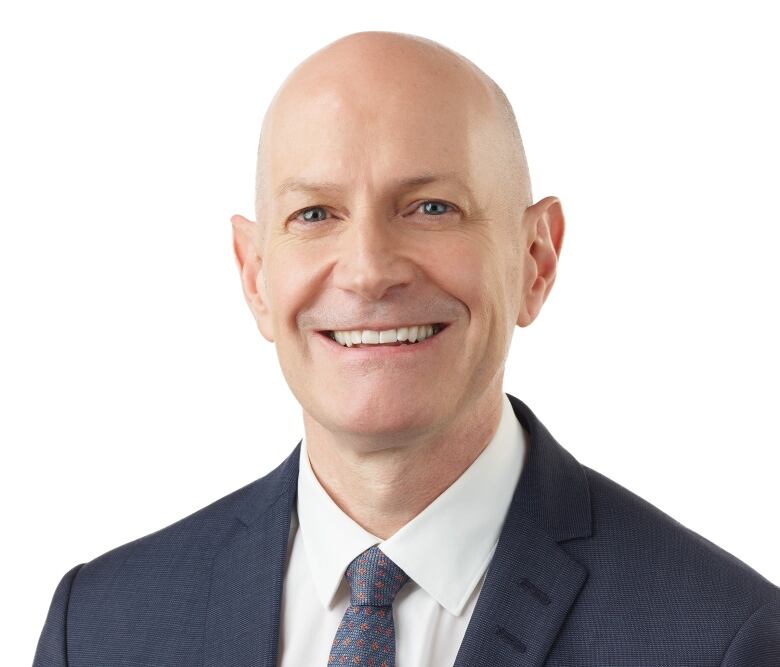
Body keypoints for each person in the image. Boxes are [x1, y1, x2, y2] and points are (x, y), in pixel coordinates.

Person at [33, 30, 779, 667]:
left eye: (430, 207)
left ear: (536, 260)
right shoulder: (99, 628)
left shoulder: (722, 638)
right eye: (315, 213)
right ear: (255, 275)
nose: (367, 271)